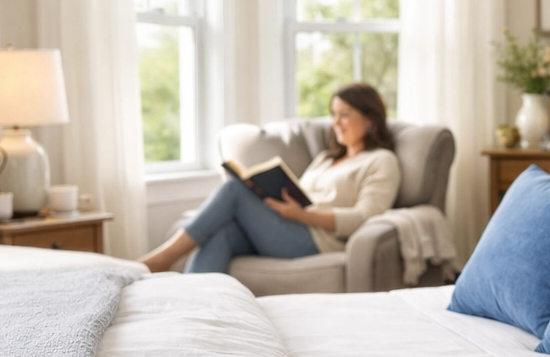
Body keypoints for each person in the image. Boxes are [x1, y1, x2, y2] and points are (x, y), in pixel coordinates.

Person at [140, 83, 402, 275]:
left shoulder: (381, 161)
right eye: (334, 114)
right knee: (223, 233)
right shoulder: (326, 158)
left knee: (233, 190)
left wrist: (302, 216)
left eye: (344, 114)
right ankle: (193, 307)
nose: (336, 123)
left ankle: (163, 259)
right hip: (287, 224)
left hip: (317, 239)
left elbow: (366, 216)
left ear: (370, 119)